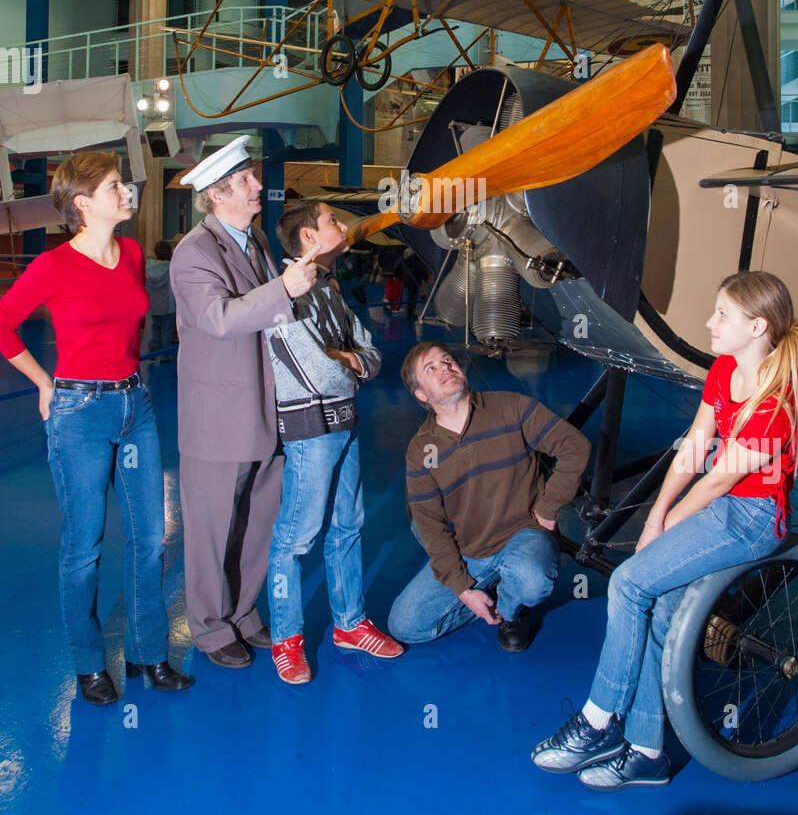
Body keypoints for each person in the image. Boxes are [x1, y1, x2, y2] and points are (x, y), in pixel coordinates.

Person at [532, 270, 798, 791]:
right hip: (719, 505)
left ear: (757, 327)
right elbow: (691, 449)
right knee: (658, 604)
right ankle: (647, 751)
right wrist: (658, 515)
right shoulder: (724, 372)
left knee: (628, 583)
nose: (710, 323)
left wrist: (662, 531)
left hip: (753, 519)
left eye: (723, 315)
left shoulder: (777, 403)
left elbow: (716, 482)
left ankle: (598, 719)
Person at [0, 151, 191, 704]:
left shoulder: (131, 253)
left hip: (136, 407)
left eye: (125, 184)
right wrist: (42, 382)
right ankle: (88, 664)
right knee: (84, 546)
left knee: (150, 538)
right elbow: (5, 323)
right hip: (79, 415)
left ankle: (148, 654)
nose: (127, 192)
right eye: (115, 186)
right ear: (82, 204)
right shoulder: (54, 265)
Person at [170, 136, 319, 669]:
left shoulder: (251, 240)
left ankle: (243, 613)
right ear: (216, 195)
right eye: (247, 181)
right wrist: (285, 287)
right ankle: (210, 629)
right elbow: (220, 319)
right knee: (212, 532)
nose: (259, 186)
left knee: (259, 522)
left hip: (267, 412)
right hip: (219, 422)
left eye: (253, 177)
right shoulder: (195, 252)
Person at [266, 199, 403, 683]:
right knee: (294, 537)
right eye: (332, 222)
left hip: (346, 421)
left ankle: (349, 623)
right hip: (309, 429)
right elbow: (312, 369)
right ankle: (286, 638)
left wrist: (349, 360)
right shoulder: (284, 294)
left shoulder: (330, 287)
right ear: (307, 236)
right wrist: (347, 363)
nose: (343, 228)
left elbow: (369, 352)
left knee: (349, 524)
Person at [388, 343, 592, 652]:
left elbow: (574, 446)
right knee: (404, 626)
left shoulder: (511, 407)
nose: (445, 367)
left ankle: (510, 611)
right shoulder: (422, 450)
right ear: (421, 395)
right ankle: (488, 596)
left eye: (447, 361)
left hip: (524, 534)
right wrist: (463, 589)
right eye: (431, 368)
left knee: (533, 579)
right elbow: (430, 525)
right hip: (471, 548)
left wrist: (549, 508)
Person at [145, 240, 175, 360]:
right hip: (168, 305)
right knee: (166, 330)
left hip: (153, 304)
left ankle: (153, 346)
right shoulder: (171, 267)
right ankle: (164, 356)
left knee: (155, 326)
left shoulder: (148, 267)